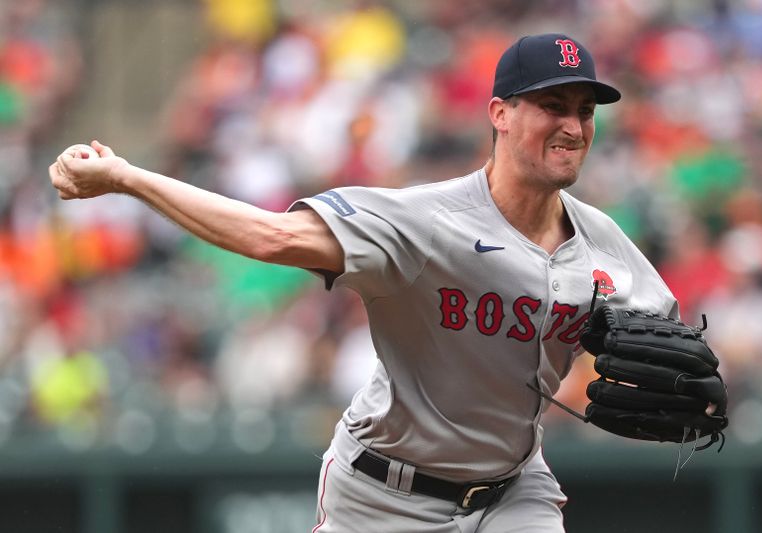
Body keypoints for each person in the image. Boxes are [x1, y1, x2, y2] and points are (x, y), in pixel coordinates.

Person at [50, 33, 678, 533]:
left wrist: (692, 396)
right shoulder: (426, 222)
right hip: (383, 494)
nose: (573, 126)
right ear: (500, 115)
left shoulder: (604, 246)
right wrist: (128, 179)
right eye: (552, 106)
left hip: (513, 491)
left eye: (584, 111)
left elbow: (681, 355)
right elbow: (272, 237)